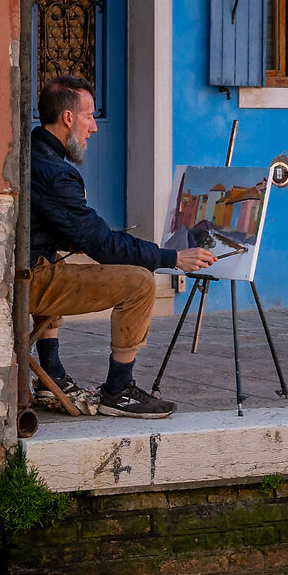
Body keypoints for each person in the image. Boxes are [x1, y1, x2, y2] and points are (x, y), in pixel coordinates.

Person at [30, 74, 214, 418]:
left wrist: (92, 232)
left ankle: (50, 375)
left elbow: (62, 227)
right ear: (68, 118)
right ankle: (119, 390)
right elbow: (102, 246)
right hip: (28, 281)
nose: (93, 127)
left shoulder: (32, 154)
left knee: (55, 262)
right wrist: (172, 257)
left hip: (24, 272)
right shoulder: (55, 172)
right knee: (139, 283)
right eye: (88, 117)